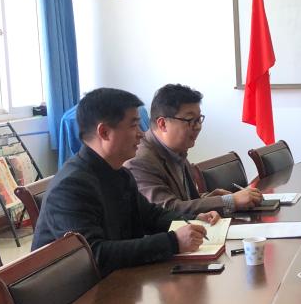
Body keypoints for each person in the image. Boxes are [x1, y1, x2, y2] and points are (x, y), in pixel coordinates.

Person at [33, 88, 212, 276]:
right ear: (104, 132)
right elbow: (94, 254)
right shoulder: (71, 186)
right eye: (133, 125)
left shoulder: (119, 173)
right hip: (77, 290)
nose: (141, 133)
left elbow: (152, 216)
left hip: (119, 279)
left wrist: (194, 221)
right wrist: (173, 242)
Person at [126, 84, 262, 216]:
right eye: (190, 120)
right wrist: (229, 201)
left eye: (199, 119)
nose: (198, 127)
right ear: (163, 124)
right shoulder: (139, 161)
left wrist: (209, 199)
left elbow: (182, 200)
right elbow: (166, 210)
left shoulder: (176, 149)